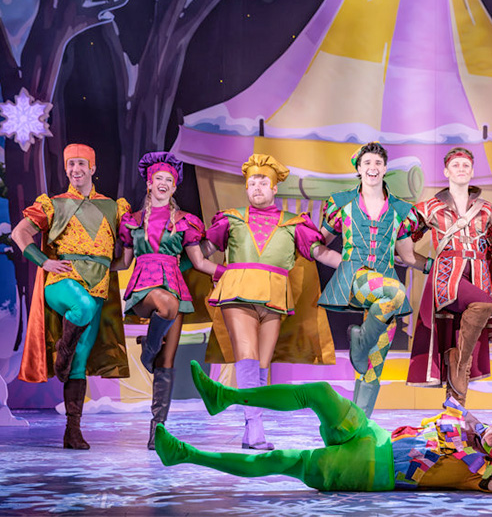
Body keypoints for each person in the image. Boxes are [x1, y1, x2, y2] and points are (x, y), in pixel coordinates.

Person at [154, 360, 492, 506]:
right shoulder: (470, 423)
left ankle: (185, 455)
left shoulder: (487, 473)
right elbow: (460, 406)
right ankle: (225, 396)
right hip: (370, 434)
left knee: (283, 460)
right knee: (320, 391)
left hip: (367, 469)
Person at [204, 154, 341, 449]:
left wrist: (354, 266)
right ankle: (256, 428)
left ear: (275, 187)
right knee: (248, 356)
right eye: (252, 182)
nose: (257, 187)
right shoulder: (231, 218)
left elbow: (320, 253)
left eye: (263, 182)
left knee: (262, 365)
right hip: (237, 291)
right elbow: (200, 250)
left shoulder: (293, 223)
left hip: (275, 297)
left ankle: (249, 427)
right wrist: (213, 268)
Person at [11, 144, 130, 449]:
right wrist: (43, 261)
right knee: (82, 306)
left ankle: (72, 431)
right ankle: (62, 350)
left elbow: (126, 248)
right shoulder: (54, 204)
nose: (75, 169)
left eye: (81, 164)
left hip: (99, 285)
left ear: (93, 168)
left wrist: (123, 260)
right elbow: (19, 233)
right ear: (66, 170)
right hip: (62, 281)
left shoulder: (113, 207)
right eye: (70, 165)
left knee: (80, 362)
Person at [115, 152, 220, 449]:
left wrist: (228, 270)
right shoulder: (133, 221)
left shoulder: (185, 222)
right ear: (149, 184)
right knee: (167, 305)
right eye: (158, 178)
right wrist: (92, 268)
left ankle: (157, 430)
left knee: (166, 362)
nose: (163, 183)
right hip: (143, 288)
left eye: (168, 180)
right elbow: (124, 262)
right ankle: (148, 349)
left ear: (174, 187)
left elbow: (199, 261)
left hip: (175, 286)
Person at [319, 142, 425, 416]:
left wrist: (435, 266)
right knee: (396, 291)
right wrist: (342, 263)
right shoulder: (342, 203)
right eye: (367, 163)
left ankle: (356, 427)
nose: (373, 167)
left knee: (372, 367)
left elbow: (408, 256)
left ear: (385, 168)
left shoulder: (400, 210)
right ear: (359, 168)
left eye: (378, 163)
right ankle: (360, 341)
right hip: (356, 280)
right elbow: (318, 246)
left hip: (386, 293)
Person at [407, 147, 492, 405]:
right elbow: (402, 242)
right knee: (482, 304)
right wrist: (427, 265)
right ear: (446, 171)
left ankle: (454, 414)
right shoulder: (429, 208)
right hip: (446, 279)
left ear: (472, 172)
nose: (461, 169)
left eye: (466, 165)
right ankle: (456, 361)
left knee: (463, 341)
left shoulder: (488, 211)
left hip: (480, 277)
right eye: (456, 165)